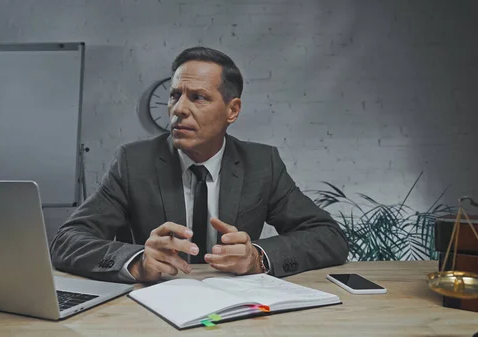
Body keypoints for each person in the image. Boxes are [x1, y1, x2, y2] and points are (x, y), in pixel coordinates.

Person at [50, 46, 349, 283]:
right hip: (152, 312)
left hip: (236, 311)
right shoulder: (132, 162)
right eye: (175, 95)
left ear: (232, 110)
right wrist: (138, 260)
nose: (179, 109)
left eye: (198, 97)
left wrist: (257, 257)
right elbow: (66, 241)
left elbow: (329, 237)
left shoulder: (262, 164)